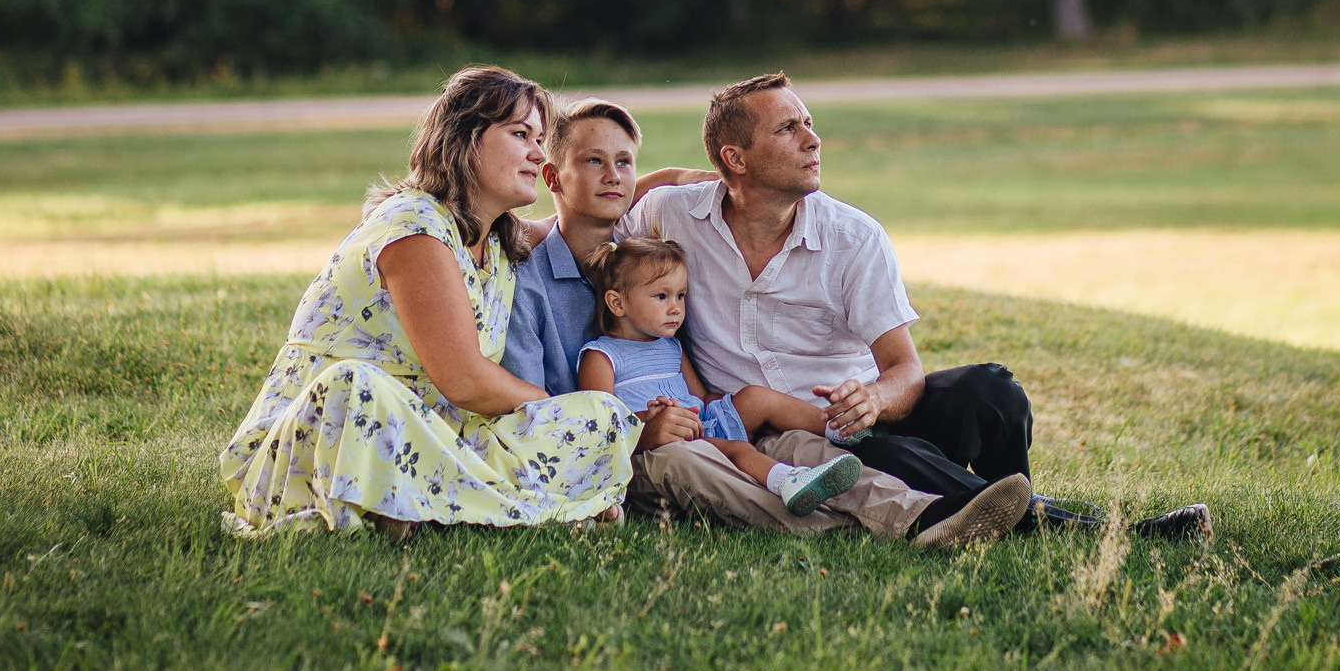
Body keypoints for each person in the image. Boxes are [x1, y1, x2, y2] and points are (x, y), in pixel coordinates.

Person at [620, 73, 1214, 544]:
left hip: (862, 411)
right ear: (736, 158)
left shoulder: (853, 237)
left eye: (809, 124)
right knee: (897, 457)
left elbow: (904, 370)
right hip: (785, 437)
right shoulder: (674, 216)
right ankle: (1082, 528)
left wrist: (874, 399)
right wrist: (685, 176)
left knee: (992, 392)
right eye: (788, 129)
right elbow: (608, 204)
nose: (813, 140)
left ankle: (1001, 507)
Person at [219, 66, 639, 542]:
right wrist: (547, 409)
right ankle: (534, 506)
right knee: (356, 386)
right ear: (467, 138)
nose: (538, 153)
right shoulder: (414, 225)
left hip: (439, 436)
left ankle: (432, 506)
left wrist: (696, 184)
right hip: (331, 434)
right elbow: (464, 379)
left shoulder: (499, 240)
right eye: (521, 135)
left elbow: (585, 213)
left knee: (600, 416)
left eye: (540, 139)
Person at [504, 97, 937, 542]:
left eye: (624, 162)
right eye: (594, 161)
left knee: (788, 443)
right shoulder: (528, 281)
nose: (613, 175)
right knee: (689, 459)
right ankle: (849, 530)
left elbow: (642, 192)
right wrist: (643, 433)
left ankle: (925, 513)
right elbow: (530, 414)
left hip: (699, 426)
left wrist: (688, 177)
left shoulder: (641, 255)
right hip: (633, 452)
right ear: (552, 177)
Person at [576, 237, 866, 514]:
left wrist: (739, 408)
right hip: (669, 442)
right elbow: (598, 427)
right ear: (617, 304)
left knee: (755, 397)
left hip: (702, 424)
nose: (676, 308)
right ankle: (788, 481)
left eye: (680, 296)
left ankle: (840, 426)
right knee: (738, 449)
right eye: (661, 296)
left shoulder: (671, 347)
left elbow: (701, 397)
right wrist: (647, 420)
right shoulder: (602, 357)